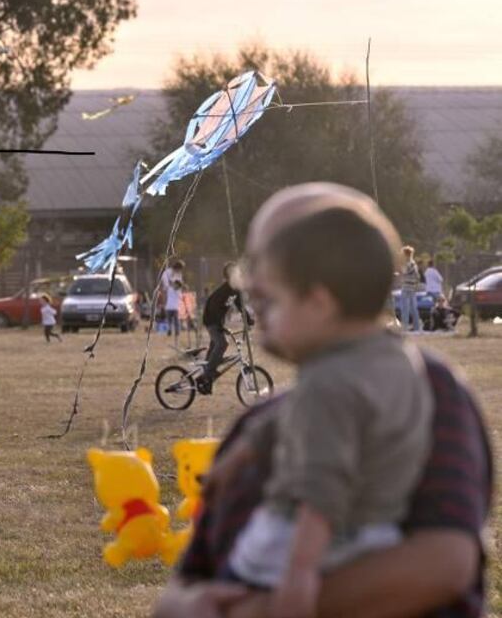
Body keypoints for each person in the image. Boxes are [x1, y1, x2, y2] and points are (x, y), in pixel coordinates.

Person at [153, 183, 490, 618]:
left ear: (319, 297)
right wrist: (186, 606)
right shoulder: (265, 417)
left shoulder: (431, 390)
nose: (251, 283)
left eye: (265, 264)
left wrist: (269, 604)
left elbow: (444, 563)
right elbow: (186, 585)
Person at [205, 193, 434, 616]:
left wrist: (300, 573)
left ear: (318, 303)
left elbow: (321, 488)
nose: (264, 316)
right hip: (385, 534)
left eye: (273, 303)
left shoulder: (329, 383)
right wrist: (241, 453)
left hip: (316, 544)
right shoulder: (397, 359)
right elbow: (289, 419)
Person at [198, 263, 246, 394]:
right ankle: (208, 372)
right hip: (210, 319)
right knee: (222, 343)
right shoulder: (224, 290)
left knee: (215, 347)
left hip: (218, 321)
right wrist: (219, 326)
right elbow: (213, 307)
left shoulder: (235, 290)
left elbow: (240, 305)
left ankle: (205, 379)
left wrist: (248, 318)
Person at [162, 259, 186, 346]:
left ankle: (174, 333)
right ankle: (172, 331)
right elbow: (166, 282)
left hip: (172, 307)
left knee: (173, 321)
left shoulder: (174, 287)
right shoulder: (168, 273)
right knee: (173, 321)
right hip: (173, 307)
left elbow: (178, 284)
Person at [399, 246, 423, 332]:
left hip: (406, 288)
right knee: (414, 309)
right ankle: (417, 327)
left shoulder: (408, 264)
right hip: (412, 288)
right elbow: (418, 277)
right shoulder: (414, 264)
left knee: (405, 309)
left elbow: (404, 271)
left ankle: (404, 328)